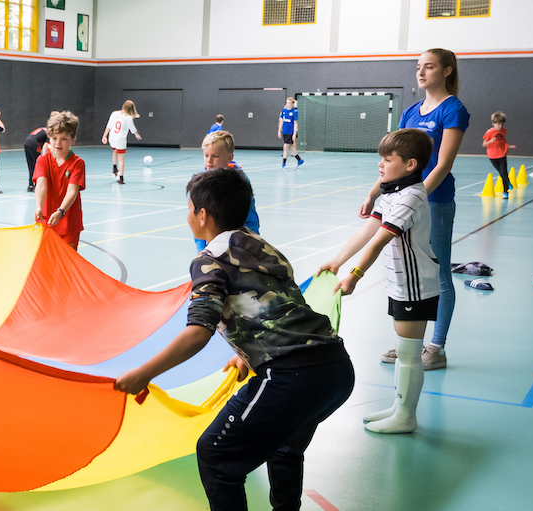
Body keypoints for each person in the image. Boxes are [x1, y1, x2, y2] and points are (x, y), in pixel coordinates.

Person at [114, 166, 352, 511]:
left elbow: (198, 332)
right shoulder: (264, 248)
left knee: (215, 454)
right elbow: (279, 306)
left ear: (202, 215)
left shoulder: (209, 259)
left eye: (190, 208)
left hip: (293, 376)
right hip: (336, 370)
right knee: (285, 445)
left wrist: (143, 373)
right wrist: (245, 353)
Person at [321, 128, 439, 435]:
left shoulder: (412, 196)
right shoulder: (392, 191)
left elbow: (379, 241)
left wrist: (355, 275)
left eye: (388, 159)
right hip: (400, 281)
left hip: (416, 286)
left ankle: (406, 415)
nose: (381, 165)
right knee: (403, 351)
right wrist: (337, 261)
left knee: (410, 353)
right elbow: (366, 231)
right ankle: (400, 407)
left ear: (410, 164)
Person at [362, 48, 467, 371]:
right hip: (402, 200)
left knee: (438, 272)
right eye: (418, 67)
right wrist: (374, 193)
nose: (421, 73)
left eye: (429, 67)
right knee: (404, 273)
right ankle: (409, 344)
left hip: (433, 201)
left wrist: (416, 196)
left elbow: (443, 164)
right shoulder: (409, 112)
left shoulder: (454, 110)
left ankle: (437, 347)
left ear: (447, 71)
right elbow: (395, 163)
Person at [192, 131, 261, 253]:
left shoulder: (239, 182)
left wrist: (251, 245)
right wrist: (201, 250)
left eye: (215, 156)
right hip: (213, 247)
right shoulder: (201, 183)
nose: (209, 160)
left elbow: (250, 218)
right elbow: (198, 220)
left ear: (229, 157)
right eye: (206, 155)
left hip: (239, 244)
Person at [33, 111, 85, 248]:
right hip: (46, 222)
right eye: (54, 138)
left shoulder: (78, 163)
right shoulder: (42, 160)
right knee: (46, 264)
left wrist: (61, 211)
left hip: (69, 224)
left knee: (66, 266)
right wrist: (39, 207)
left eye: (63, 139)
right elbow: (41, 186)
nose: (58, 143)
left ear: (73, 140)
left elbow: (72, 191)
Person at [102, 100, 140, 184]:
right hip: (120, 139)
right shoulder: (128, 117)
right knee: (121, 158)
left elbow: (109, 125)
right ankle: (121, 178)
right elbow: (133, 129)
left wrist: (104, 136)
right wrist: (137, 135)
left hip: (112, 137)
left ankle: (114, 168)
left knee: (115, 151)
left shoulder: (114, 113)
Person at [482, 111, 515, 199]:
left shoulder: (503, 131)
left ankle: (505, 191)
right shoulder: (489, 132)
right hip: (492, 155)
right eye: (498, 124)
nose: (500, 126)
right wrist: (490, 141)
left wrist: (508, 146)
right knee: (501, 173)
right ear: (493, 124)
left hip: (502, 154)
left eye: (501, 124)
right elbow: (484, 144)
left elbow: (503, 140)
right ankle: (508, 181)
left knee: (503, 172)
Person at [22, 113, 54, 193]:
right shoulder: (48, 133)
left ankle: (30, 185)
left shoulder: (42, 129)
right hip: (33, 144)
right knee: (38, 165)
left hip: (26, 142)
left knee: (31, 165)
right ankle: (37, 185)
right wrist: (43, 157)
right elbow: (45, 146)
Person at [279, 97, 303, 169]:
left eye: (289, 103)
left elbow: (295, 123)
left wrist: (294, 133)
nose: (288, 104)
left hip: (290, 132)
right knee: (289, 147)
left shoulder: (295, 112)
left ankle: (284, 163)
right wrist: (279, 130)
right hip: (285, 131)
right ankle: (299, 160)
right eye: (287, 103)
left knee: (286, 146)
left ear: (292, 104)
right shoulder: (284, 110)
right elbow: (282, 120)